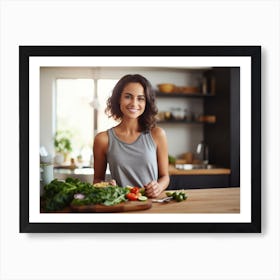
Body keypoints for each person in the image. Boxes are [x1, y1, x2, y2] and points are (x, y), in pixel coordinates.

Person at [93, 74, 170, 198]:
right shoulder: (103, 139)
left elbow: (165, 177)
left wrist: (158, 187)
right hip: (120, 205)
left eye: (140, 98)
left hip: (151, 205)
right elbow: (97, 180)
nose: (134, 103)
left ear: (147, 103)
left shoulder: (157, 134)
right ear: (119, 99)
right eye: (128, 97)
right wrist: (106, 186)